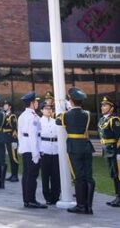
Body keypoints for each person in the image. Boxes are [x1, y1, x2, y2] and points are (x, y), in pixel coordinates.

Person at [57, 87, 95, 215]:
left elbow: (57, 121)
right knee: (88, 176)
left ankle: (80, 205)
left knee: (79, 177)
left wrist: (63, 107)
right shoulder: (87, 114)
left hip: (74, 147)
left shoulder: (65, 115)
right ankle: (88, 207)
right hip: (86, 145)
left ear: (71, 101)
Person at [18, 92, 46, 209]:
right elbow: (34, 136)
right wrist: (36, 153)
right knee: (32, 175)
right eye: (36, 101)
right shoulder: (33, 117)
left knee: (26, 175)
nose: (37, 103)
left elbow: (20, 134)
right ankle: (31, 200)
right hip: (31, 149)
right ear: (31, 103)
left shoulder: (22, 115)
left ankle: (27, 199)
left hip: (26, 148)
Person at [98, 96, 120, 207]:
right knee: (113, 174)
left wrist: (119, 153)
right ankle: (117, 196)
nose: (102, 107)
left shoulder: (114, 120)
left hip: (114, 151)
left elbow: (119, 137)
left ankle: (119, 198)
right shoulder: (103, 119)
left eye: (105, 105)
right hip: (107, 150)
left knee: (118, 174)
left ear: (111, 108)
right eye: (102, 105)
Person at [39, 100, 61, 205]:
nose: (49, 110)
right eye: (46, 109)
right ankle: (47, 196)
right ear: (42, 110)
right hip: (44, 149)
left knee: (55, 174)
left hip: (55, 149)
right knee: (45, 174)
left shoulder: (55, 121)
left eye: (50, 109)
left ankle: (55, 195)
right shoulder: (39, 121)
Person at [3, 100, 19, 182]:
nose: (4, 106)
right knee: (10, 157)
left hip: (12, 138)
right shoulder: (5, 115)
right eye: (4, 105)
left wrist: (14, 140)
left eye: (6, 105)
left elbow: (14, 128)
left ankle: (15, 175)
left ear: (10, 107)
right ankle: (13, 174)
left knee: (14, 157)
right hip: (7, 138)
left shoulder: (12, 116)